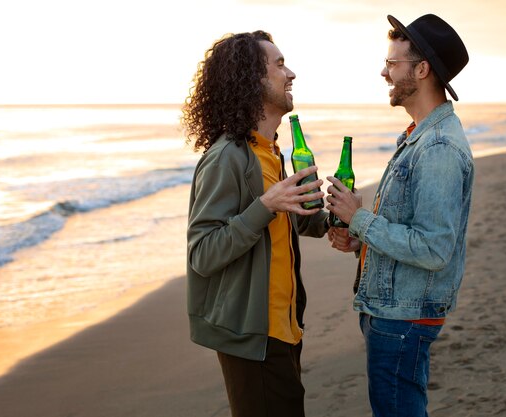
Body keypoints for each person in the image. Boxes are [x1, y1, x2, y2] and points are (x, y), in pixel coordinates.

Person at [326, 14, 473, 417]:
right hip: (392, 310)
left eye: (392, 64)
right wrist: (360, 239)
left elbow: (433, 247)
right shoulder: (417, 135)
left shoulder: (438, 147)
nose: (383, 71)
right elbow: (410, 228)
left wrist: (359, 220)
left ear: (421, 70)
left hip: (404, 317)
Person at [183, 30, 330, 417]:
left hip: (285, 328)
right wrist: (265, 205)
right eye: (279, 65)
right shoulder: (227, 157)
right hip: (252, 336)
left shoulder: (270, 151)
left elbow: (287, 224)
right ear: (251, 78)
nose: (291, 73)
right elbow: (203, 253)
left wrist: (336, 219)